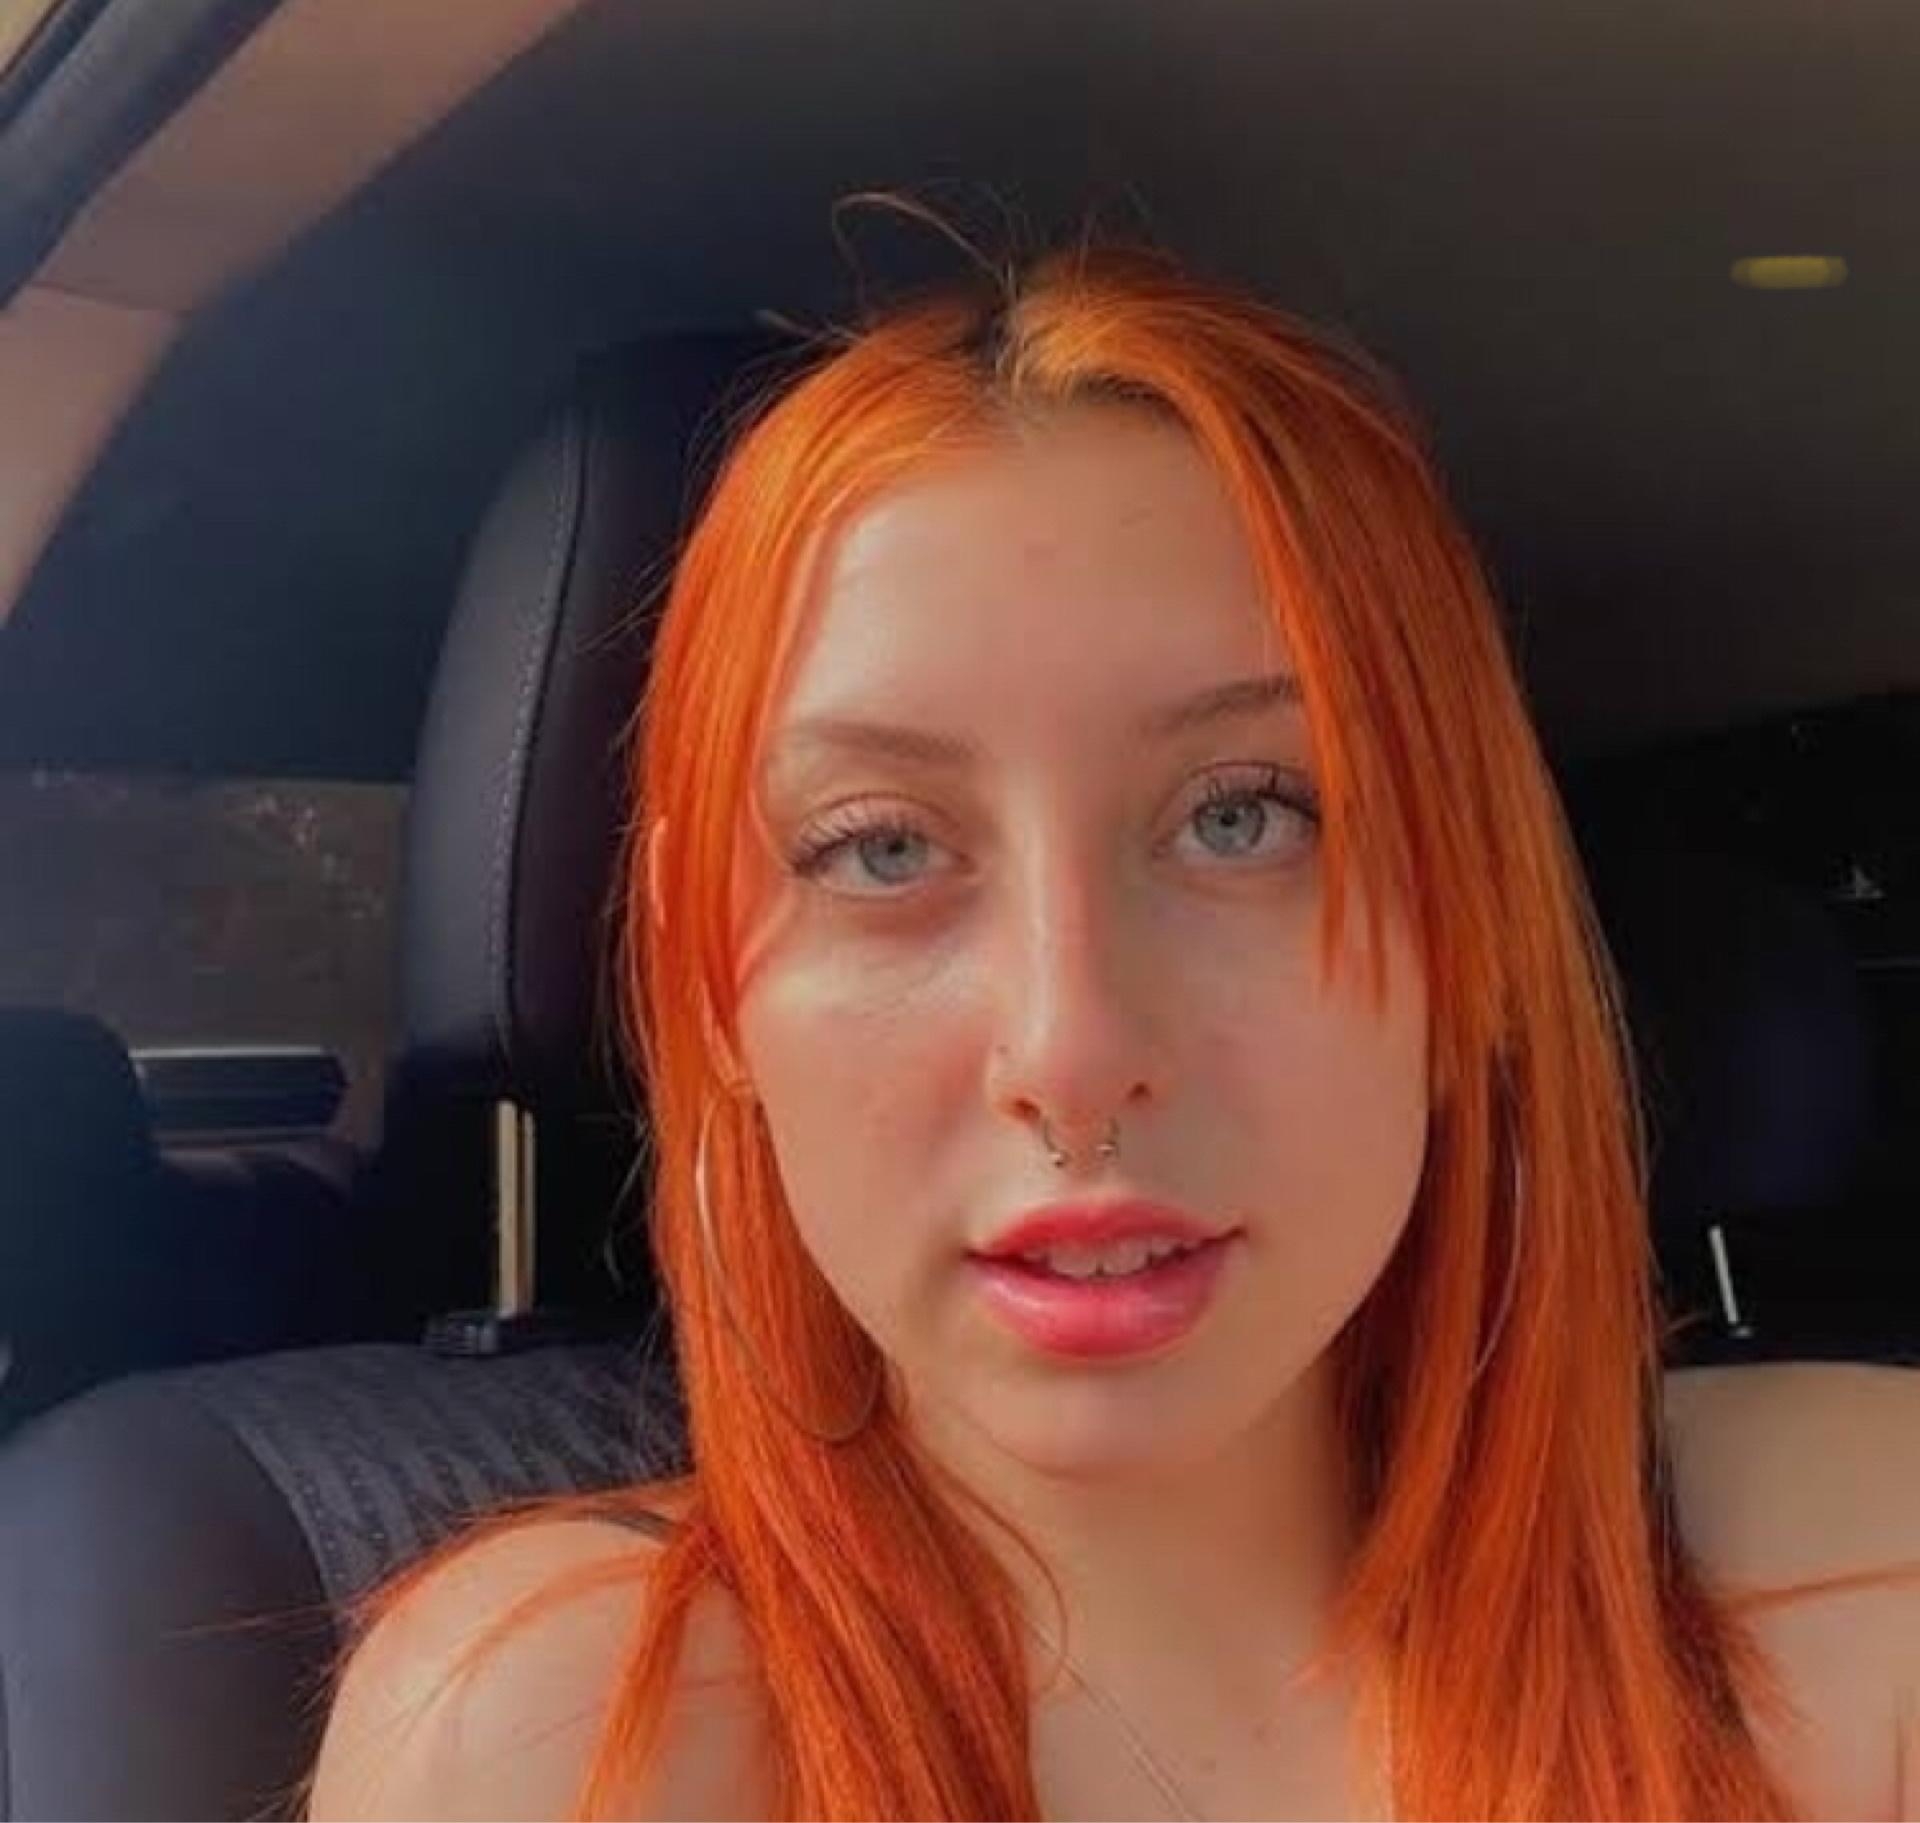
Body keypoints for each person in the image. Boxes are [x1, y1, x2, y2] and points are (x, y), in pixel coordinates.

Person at [308, 238, 1920, 1820]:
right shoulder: (565, 1745)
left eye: (1242, 818)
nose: (1070, 1053)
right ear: (711, 975)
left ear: (1467, 917)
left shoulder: (1864, 1585)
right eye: (882, 847)